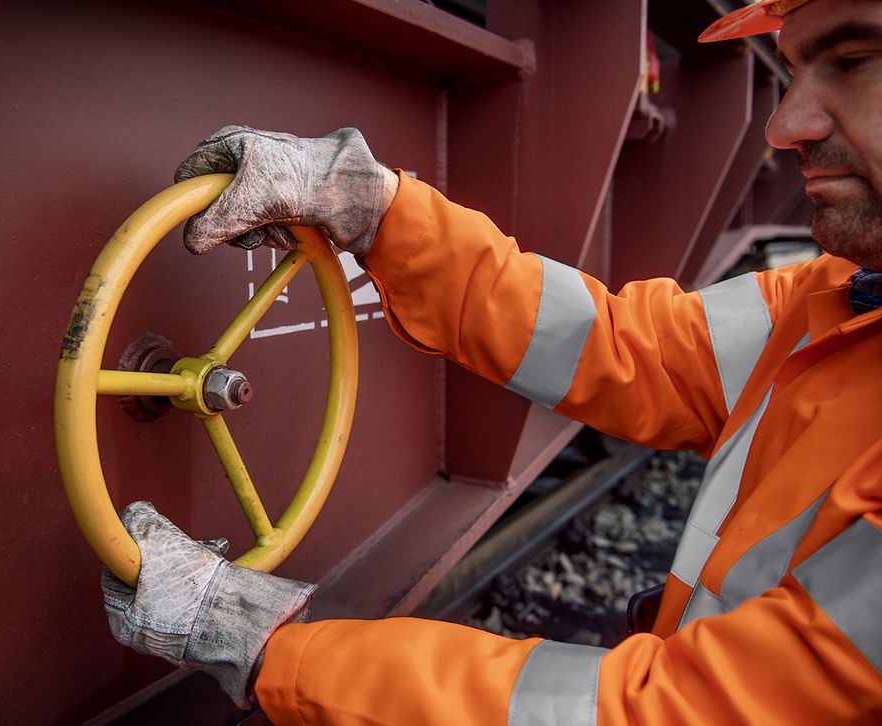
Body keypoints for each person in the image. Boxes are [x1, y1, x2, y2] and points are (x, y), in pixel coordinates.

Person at [101, 0, 882, 722]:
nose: (785, 125)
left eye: (853, 60)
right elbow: (619, 346)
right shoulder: (847, 304)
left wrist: (269, 650)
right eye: (790, 71)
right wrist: (373, 209)